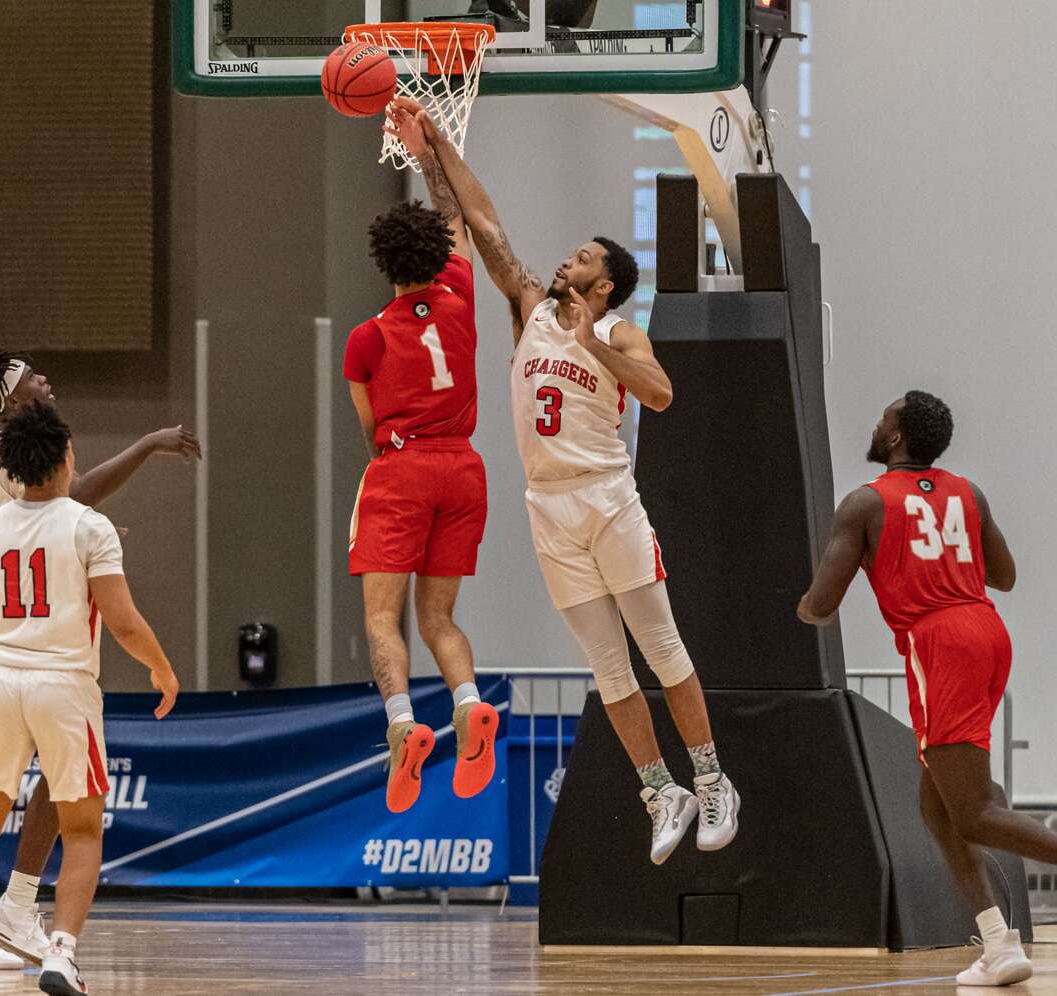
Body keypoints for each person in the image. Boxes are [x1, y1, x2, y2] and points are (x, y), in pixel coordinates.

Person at [387, 97, 738, 863]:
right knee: (607, 666)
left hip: (609, 500)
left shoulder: (617, 330)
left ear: (606, 284)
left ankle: (711, 779)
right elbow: (483, 225)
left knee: (662, 648)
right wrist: (436, 149)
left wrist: (595, 345)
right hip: (548, 508)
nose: (565, 261)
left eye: (581, 257)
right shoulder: (529, 309)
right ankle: (660, 789)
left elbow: (660, 394)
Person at [0, 352, 199, 966]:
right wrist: (147, 446)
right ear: (9, 400)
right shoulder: (8, 455)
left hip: (4, 649)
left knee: (3, 785)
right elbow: (76, 497)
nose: (45, 380)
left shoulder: (3, 463)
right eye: (31, 377)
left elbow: (52, 517)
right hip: (43, 649)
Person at [799, 390, 1056, 987]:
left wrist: (803, 607)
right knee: (936, 809)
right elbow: (1005, 576)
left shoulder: (864, 503)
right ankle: (999, 944)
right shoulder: (969, 492)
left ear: (894, 437)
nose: (878, 418)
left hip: (937, 643)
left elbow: (820, 604)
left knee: (976, 812)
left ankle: (1001, 940)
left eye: (884, 414)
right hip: (987, 632)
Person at [344, 144, 496, 814]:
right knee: (441, 616)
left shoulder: (367, 338)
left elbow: (368, 421)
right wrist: (430, 149)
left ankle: (404, 724)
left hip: (404, 465)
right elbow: (457, 214)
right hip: (463, 467)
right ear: (438, 252)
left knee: (384, 615)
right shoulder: (461, 292)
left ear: (384, 264)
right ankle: (468, 704)